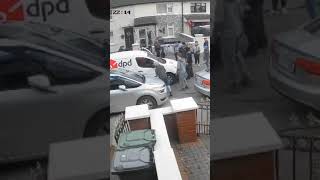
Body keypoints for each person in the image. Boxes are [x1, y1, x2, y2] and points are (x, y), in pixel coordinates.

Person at [220, 0, 252, 93]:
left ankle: (234, 83)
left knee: (229, 58)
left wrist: (215, 34)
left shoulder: (221, 3)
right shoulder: (236, 2)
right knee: (237, 55)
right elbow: (242, 13)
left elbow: (219, 20)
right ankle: (245, 76)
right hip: (238, 31)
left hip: (228, 33)